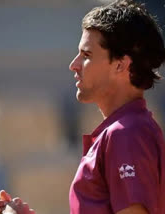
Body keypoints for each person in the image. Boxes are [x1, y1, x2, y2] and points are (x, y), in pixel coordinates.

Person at [68, 0, 165, 213]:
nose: (73, 65)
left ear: (121, 64)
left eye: (86, 55)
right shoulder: (127, 131)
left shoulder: (126, 133)